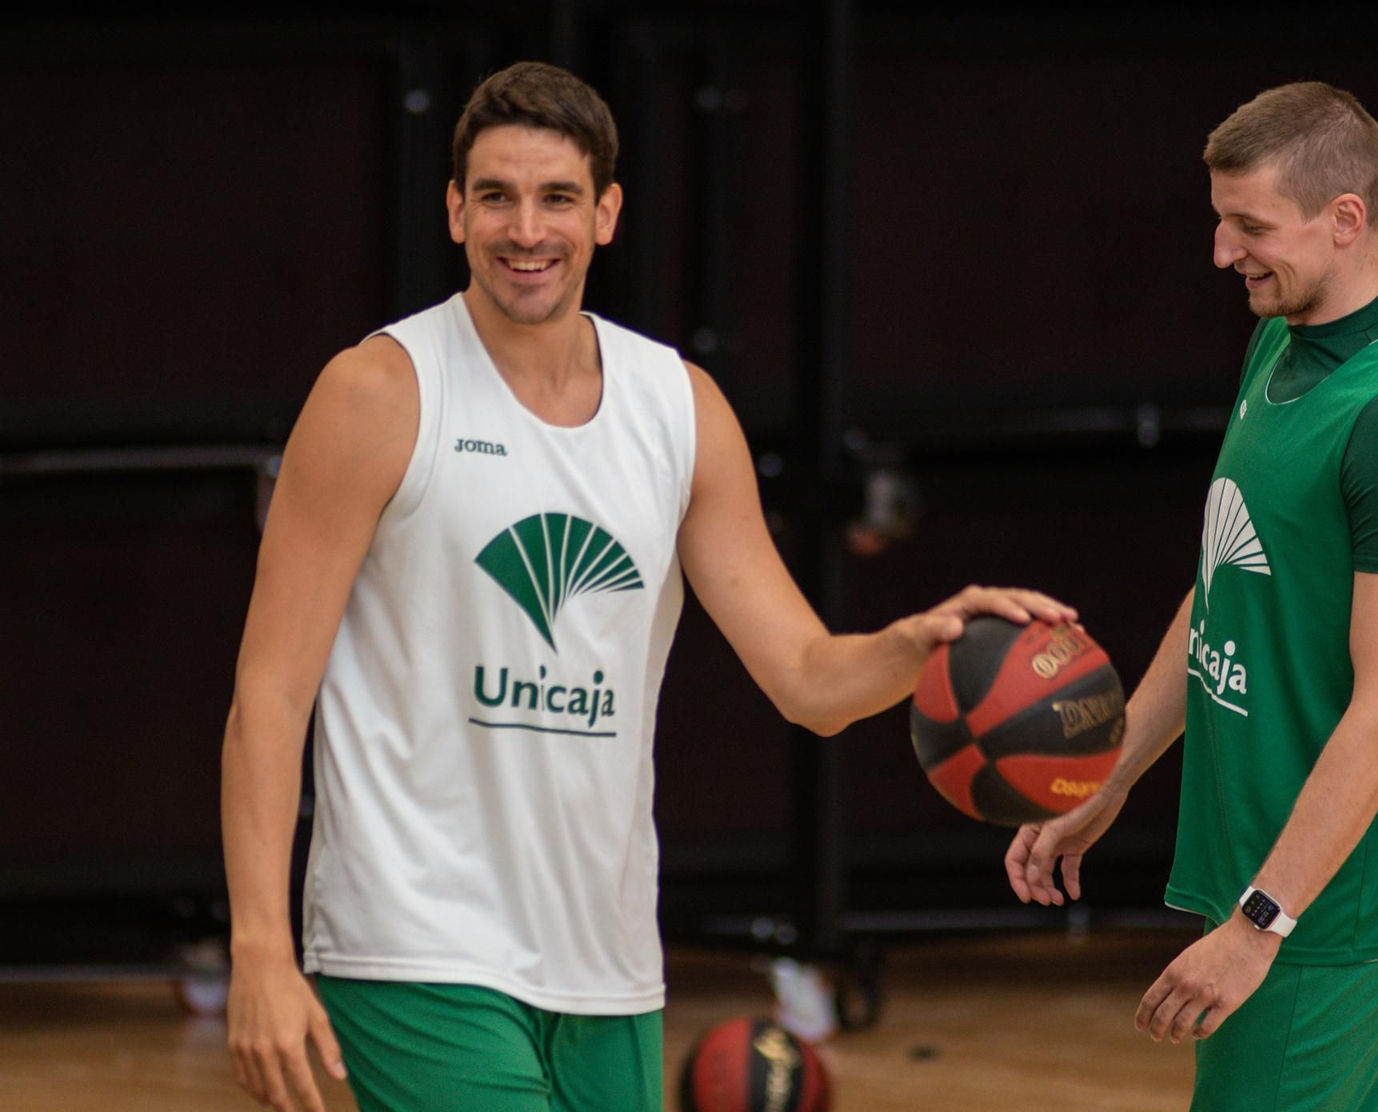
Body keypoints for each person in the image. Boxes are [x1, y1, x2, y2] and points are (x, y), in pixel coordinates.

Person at [221, 61, 1071, 1112]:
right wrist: (259, 948)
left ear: (607, 213)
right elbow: (269, 690)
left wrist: (920, 642)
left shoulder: (677, 407)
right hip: (412, 940)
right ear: (454, 209)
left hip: (604, 956)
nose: (524, 227)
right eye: (495, 195)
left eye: (557, 198)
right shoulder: (378, 392)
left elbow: (807, 680)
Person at [1007, 82, 1378, 1111]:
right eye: (1220, 220)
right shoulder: (1277, 342)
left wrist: (1261, 922)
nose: (1223, 251)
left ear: (1344, 217)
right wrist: (1112, 767)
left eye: (1251, 226)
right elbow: (1227, 584)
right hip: (1304, 888)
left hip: (1332, 908)